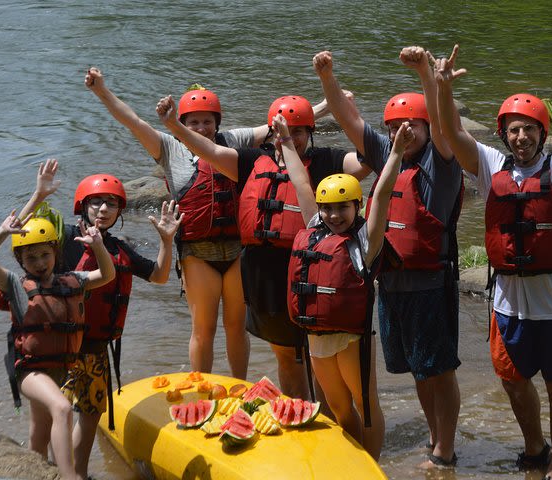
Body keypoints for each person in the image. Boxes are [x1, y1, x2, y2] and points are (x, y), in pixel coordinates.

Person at [435, 39, 552, 480]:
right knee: (513, 383)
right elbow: (452, 133)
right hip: (508, 305)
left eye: (530, 129)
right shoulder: (489, 167)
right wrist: (442, 89)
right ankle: (534, 448)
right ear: (504, 133)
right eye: (514, 129)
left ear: (543, 133)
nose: (522, 137)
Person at [156, 93, 371, 401]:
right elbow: (210, 149)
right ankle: (297, 410)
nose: (292, 138)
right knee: (285, 357)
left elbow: (366, 161)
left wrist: (345, 108)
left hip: (313, 271)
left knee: (321, 358)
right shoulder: (250, 160)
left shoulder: (328, 161)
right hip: (266, 277)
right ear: (272, 131)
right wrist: (174, 125)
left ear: (311, 132)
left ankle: (329, 419)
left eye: (299, 131)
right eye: (287, 130)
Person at [313, 47, 463, 468]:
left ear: (426, 127)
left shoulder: (441, 162)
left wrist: (424, 75)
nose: (403, 133)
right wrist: (328, 78)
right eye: (395, 126)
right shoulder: (388, 155)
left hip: (430, 284)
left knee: (440, 368)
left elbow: (444, 128)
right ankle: (435, 437)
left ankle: (445, 450)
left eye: (411, 125)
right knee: (418, 369)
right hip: (392, 285)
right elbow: (350, 121)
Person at [84, 68, 260, 379]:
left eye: (208, 121)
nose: (202, 128)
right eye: (194, 122)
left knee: (236, 327)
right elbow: (133, 122)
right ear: (182, 123)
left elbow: (280, 123)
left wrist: (330, 102)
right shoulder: (169, 146)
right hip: (197, 252)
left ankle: (239, 388)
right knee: (203, 328)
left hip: (237, 250)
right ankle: (202, 391)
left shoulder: (233, 140)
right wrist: (101, 91)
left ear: (217, 122)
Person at [19, 163, 182, 480]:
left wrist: (166, 240)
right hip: (59, 349)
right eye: (96, 202)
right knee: (53, 417)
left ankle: (77, 473)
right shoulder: (63, 239)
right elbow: (22, 231)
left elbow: (160, 276)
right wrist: (39, 194)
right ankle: (46, 472)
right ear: (82, 206)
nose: (104, 209)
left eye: (111, 203)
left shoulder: (119, 249)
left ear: (120, 209)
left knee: (91, 414)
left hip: (95, 347)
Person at [274, 112, 410, 459]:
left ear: (356, 206)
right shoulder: (314, 226)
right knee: (337, 407)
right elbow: (302, 183)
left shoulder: (366, 239)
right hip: (316, 338)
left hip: (353, 339)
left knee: (365, 406)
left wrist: (395, 153)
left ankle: (372, 466)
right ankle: (349, 462)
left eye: (343, 209)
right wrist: (287, 141)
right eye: (328, 209)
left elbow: (381, 196)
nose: (335, 216)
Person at [0, 213, 115, 480]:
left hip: (59, 370)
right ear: (19, 260)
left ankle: (33, 473)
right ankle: (68, 476)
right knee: (61, 408)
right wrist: (3, 232)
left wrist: (98, 245)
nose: (39, 264)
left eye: (44, 255)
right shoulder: (16, 286)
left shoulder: (72, 281)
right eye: (30, 258)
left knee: (39, 434)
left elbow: (107, 274)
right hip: (30, 372)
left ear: (55, 252)